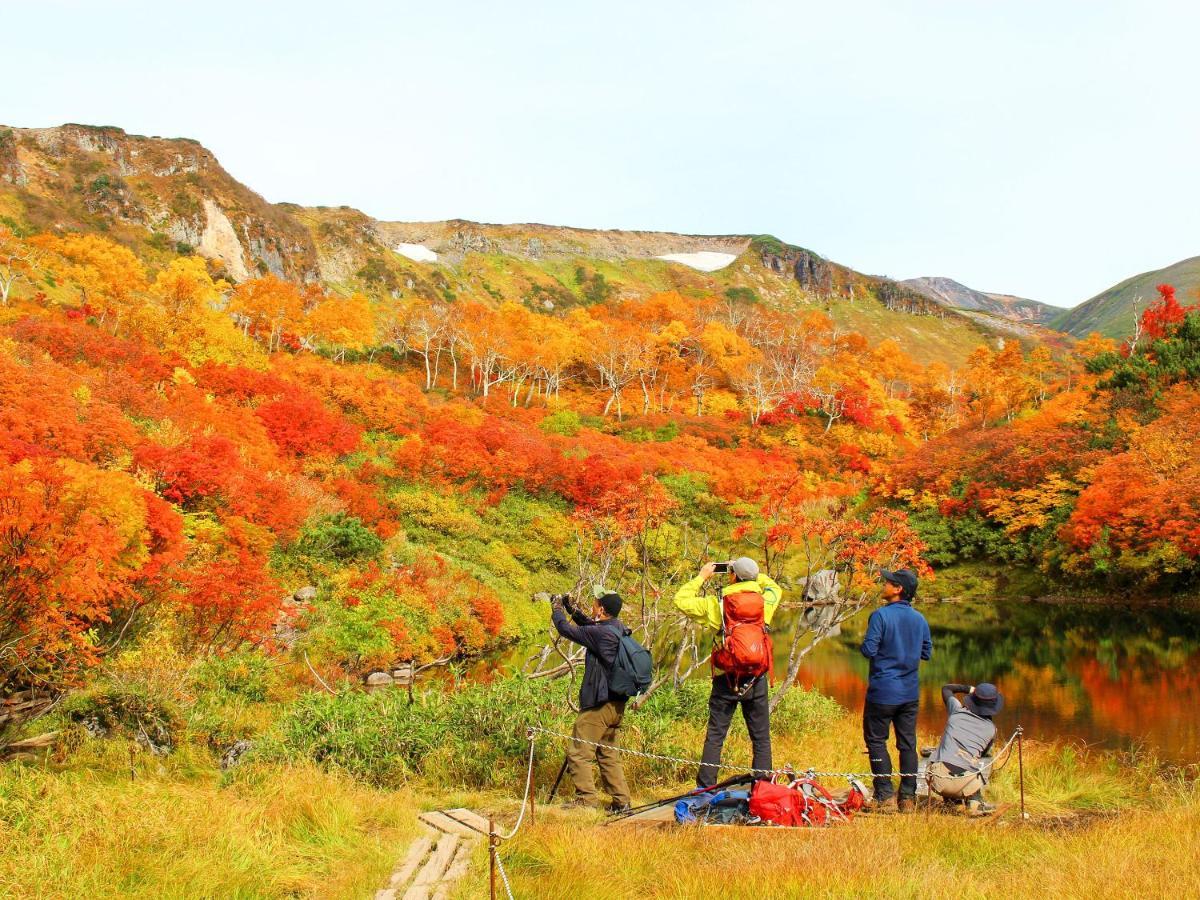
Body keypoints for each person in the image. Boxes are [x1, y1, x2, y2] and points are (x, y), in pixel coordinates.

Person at [674, 557, 783, 788]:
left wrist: (702, 577)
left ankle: (705, 789)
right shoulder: (765, 602)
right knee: (761, 738)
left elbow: (681, 600)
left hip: (727, 680)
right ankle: (763, 789)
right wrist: (754, 576)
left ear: (732, 575)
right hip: (756, 678)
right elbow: (774, 587)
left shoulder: (718, 605)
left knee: (715, 736)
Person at [548, 588, 632, 812]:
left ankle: (586, 801)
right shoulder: (618, 628)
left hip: (598, 705)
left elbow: (565, 629)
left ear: (602, 609)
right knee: (607, 754)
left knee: (578, 752)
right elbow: (589, 625)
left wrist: (556, 608)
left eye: (595, 604)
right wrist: (570, 607)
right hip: (616, 704)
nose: (592, 607)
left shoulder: (600, 634)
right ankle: (622, 801)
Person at [860, 568, 931, 812]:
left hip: (883, 690)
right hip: (909, 692)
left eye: (888, 582)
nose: (884, 584)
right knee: (907, 743)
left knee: (877, 741)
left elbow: (868, 650)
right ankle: (908, 798)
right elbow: (926, 652)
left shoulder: (880, 616)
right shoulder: (920, 619)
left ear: (898, 589)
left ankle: (885, 796)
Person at [927, 682, 1003, 816]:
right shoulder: (991, 729)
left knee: (946, 759)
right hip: (966, 785)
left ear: (973, 699)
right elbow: (985, 753)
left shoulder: (956, 710)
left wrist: (968, 689)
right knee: (971, 766)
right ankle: (974, 802)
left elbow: (946, 688)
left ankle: (952, 803)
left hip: (937, 780)